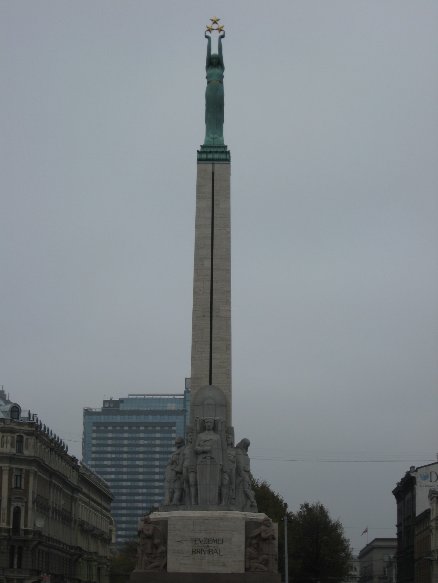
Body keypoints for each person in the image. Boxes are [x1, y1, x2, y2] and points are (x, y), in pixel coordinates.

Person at [204, 30, 225, 145]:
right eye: (213, 59)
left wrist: (220, 40)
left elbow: (221, 54)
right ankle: (209, 135)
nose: (215, 60)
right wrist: (209, 40)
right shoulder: (209, 68)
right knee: (210, 113)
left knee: (218, 113)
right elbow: (207, 54)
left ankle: (218, 135)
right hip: (210, 89)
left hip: (219, 90)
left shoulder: (220, 68)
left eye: (217, 59)